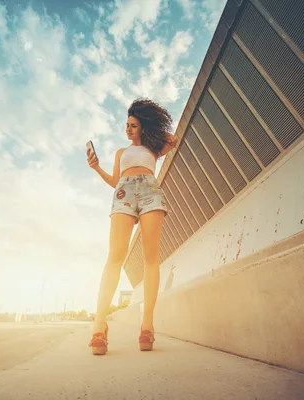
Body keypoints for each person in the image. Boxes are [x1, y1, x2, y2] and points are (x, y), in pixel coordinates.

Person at [86, 98, 177, 355]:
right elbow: (115, 181)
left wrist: (150, 131)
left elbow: (174, 139)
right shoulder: (120, 153)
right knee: (114, 257)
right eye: (126, 125)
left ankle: (147, 326)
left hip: (150, 191)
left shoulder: (154, 148)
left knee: (151, 257)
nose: (128, 129)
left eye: (133, 125)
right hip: (124, 193)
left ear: (143, 126)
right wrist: (97, 168)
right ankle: (99, 325)